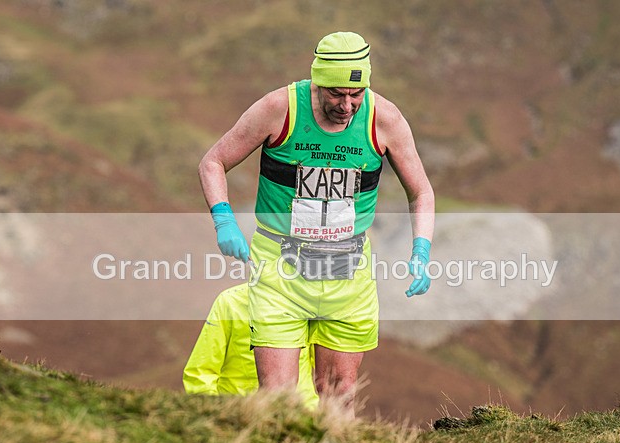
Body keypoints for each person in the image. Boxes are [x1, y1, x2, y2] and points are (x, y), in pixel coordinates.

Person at [198, 31, 434, 412]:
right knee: (278, 399)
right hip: (280, 271)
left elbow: (420, 191)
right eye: (337, 94)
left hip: (348, 272)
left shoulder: (384, 119)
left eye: (356, 94)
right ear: (318, 82)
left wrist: (421, 249)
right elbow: (213, 161)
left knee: (338, 395)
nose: (347, 105)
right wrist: (223, 219)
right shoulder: (280, 108)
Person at [182, 283, 319, 410]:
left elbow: (322, 365)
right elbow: (200, 374)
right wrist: (217, 416)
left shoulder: (307, 303)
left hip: (303, 413)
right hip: (241, 414)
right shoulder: (230, 302)